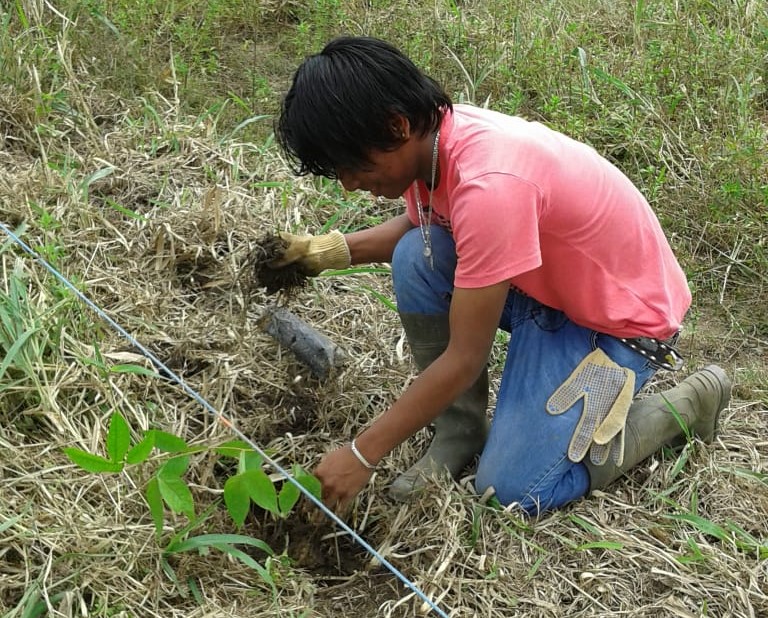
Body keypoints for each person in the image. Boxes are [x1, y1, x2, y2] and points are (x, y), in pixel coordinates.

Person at [271, 36, 731, 514]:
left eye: (351, 164)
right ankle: (461, 431)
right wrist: (326, 252)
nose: (348, 183)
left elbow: (465, 358)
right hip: (547, 287)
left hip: (618, 327)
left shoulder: (490, 184)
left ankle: (686, 404)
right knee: (416, 255)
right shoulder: (435, 141)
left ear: (396, 124)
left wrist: (362, 454)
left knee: (512, 489)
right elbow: (427, 222)